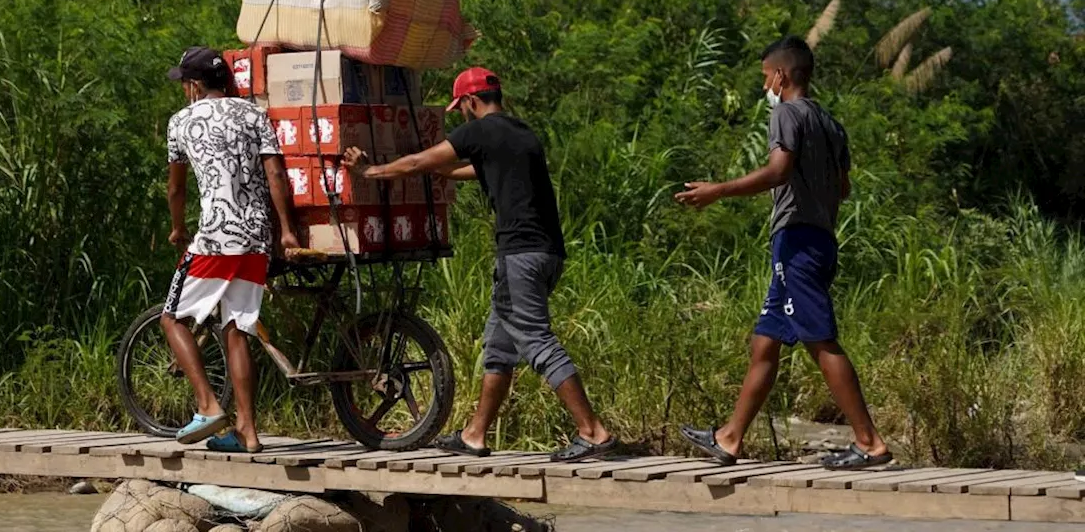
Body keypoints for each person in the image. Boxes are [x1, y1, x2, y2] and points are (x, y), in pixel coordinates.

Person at [342, 67, 616, 462]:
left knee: (537, 340)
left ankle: (593, 433)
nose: (462, 117)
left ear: (471, 102)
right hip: (546, 254)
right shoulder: (522, 134)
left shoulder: (480, 132)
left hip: (520, 255)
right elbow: (460, 168)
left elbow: (421, 161)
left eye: (461, 109)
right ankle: (474, 434)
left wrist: (370, 171)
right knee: (500, 347)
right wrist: (424, 165)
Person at [674, 35, 891, 471]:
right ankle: (730, 437)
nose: (764, 86)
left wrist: (719, 191)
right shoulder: (831, 124)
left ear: (780, 75)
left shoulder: (787, 113)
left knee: (819, 338)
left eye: (764, 78)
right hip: (820, 238)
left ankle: (869, 442)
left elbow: (778, 170)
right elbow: (842, 188)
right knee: (765, 341)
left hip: (797, 243)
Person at [164, 46, 299, 453]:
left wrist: (177, 228)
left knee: (173, 319)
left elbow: (176, 188)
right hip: (257, 236)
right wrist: (287, 232)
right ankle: (248, 432)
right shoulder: (254, 114)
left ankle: (207, 405)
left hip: (216, 236)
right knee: (236, 328)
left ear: (193, 86)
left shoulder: (181, 122)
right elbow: (275, 172)